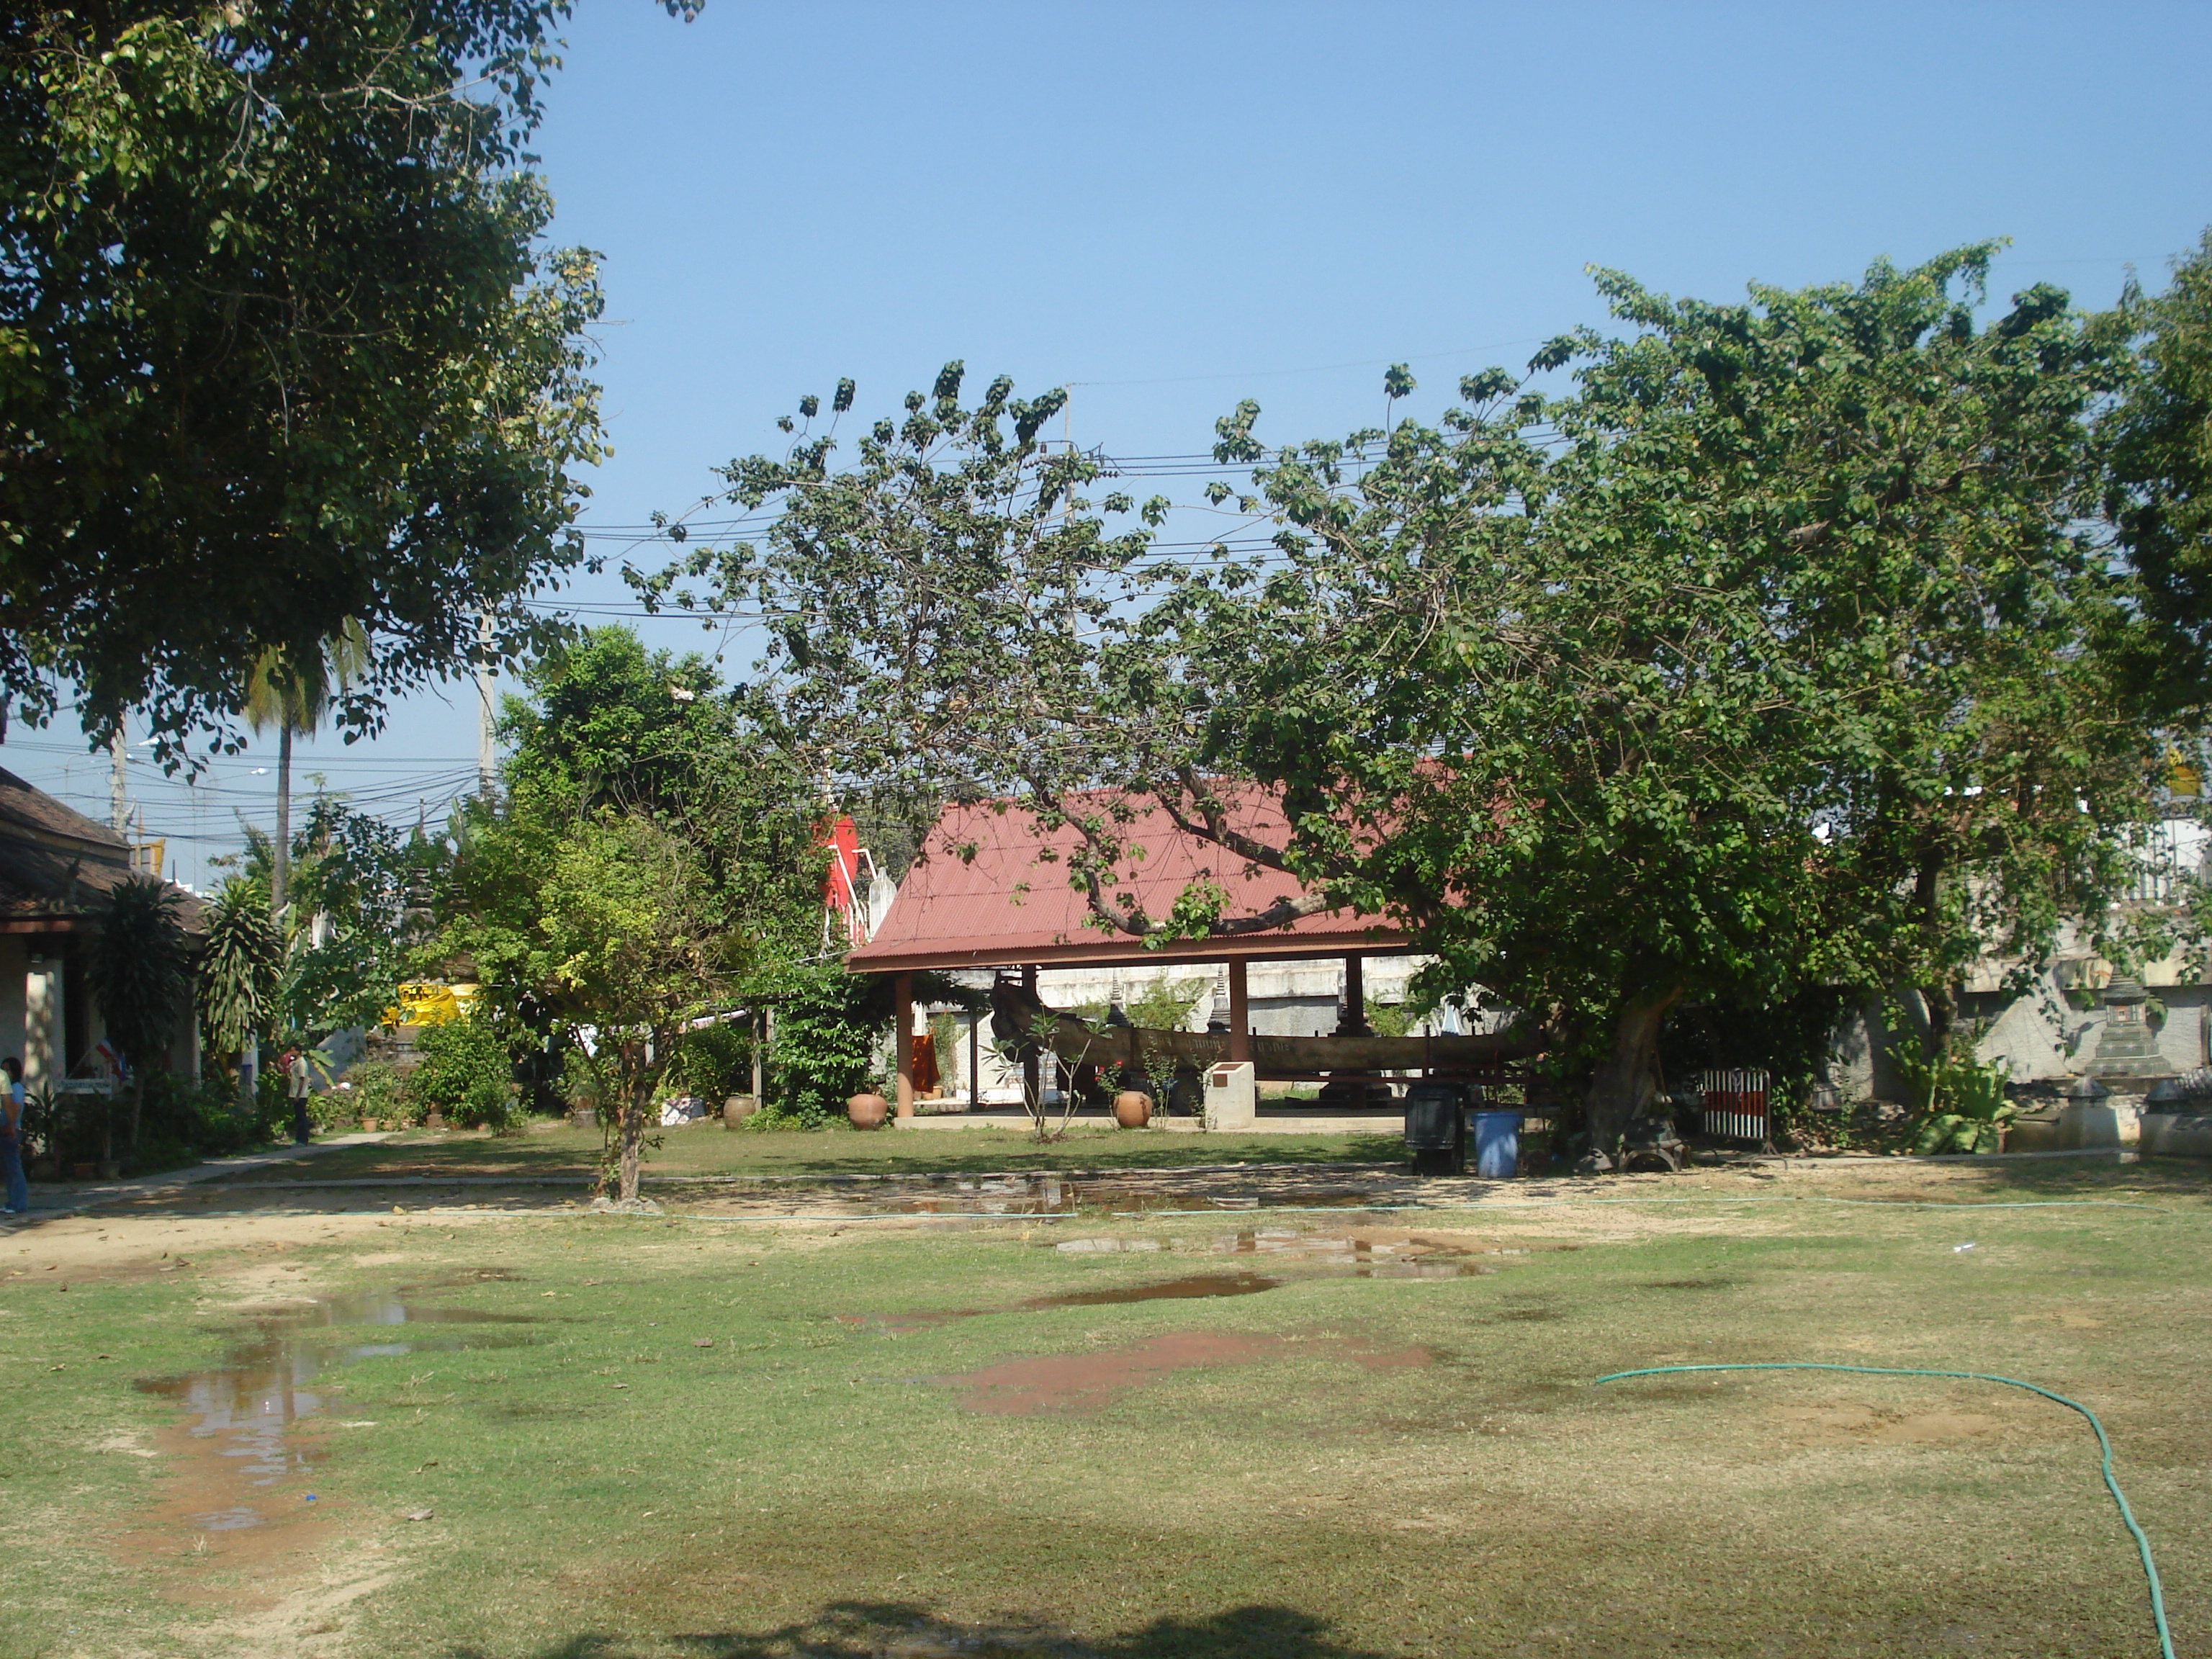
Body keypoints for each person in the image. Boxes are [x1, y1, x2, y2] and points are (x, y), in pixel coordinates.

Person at [1, 1056, 27, 1216]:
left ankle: (18, 1203)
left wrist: (9, 1128)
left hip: (10, 1130)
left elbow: (14, 1110)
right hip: (5, 1129)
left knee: (13, 1169)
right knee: (8, 1170)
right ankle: (13, 1201)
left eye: (7, 1070)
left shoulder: (16, 1088)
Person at [287, 1047, 313, 1146]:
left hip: (300, 1095)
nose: (291, 1052)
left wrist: (298, 1095)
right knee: (298, 1118)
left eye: (293, 1050)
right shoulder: (295, 1063)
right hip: (294, 1093)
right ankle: (299, 1140)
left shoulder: (302, 1063)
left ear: (298, 1051)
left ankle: (303, 1140)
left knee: (302, 1118)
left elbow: (302, 1079)